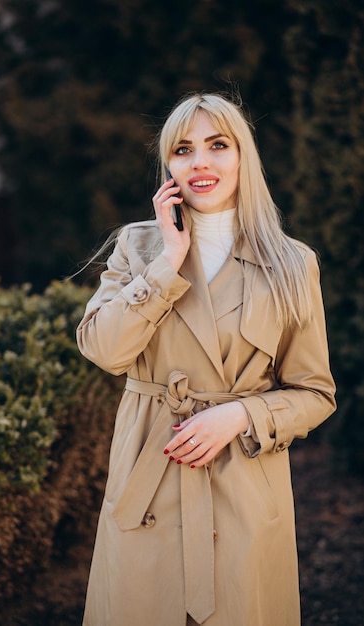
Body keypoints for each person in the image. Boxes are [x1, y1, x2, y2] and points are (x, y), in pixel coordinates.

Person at [76, 92, 336, 626]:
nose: (200, 162)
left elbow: (315, 393)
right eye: (183, 149)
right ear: (167, 166)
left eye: (218, 145)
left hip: (244, 482)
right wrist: (168, 261)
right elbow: (104, 350)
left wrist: (242, 413)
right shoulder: (137, 246)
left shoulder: (292, 263)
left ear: (243, 155)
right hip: (149, 483)